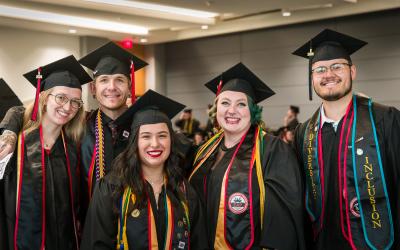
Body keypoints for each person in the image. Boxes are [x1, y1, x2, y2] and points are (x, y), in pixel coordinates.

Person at [292, 29, 400, 249]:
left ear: (353, 71)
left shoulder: (386, 120)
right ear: (312, 78)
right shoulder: (303, 133)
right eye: (320, 69)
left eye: (337, 66)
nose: (328, 74)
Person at [189, 62, 305, 249]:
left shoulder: (273, 151)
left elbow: (282, 220)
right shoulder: (205, 150)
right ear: (216, 109)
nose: (231, 110)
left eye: (241, 104)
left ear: (253, 111)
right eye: (225, 103)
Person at [81, 90, 207, 249]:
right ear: (135, 142)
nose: (155, 144)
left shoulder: (184, 191)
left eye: (162, 135)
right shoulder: (111, 189)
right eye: (146, 136)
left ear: (171, 140)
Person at [1, 55, 92, 250]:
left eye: (76, 102)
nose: (68, 107)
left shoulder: (73, 149)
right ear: (43, 96)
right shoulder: (16, 146)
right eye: (61, 97)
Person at [78, 41, 148, 199]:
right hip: (90, 218)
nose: (112, 87)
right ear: (93, 89)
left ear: (130, 87)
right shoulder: (79, 126)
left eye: (119, 80)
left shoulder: (146, 126)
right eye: (104, 80)